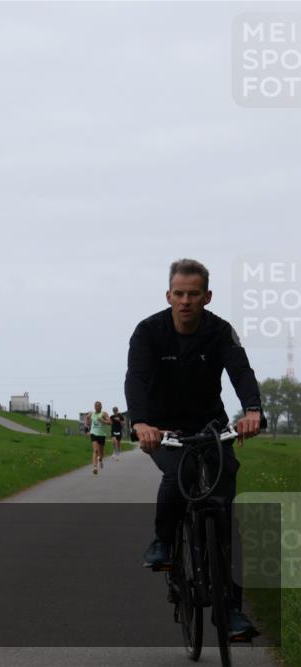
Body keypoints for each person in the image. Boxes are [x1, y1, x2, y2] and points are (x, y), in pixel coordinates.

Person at [124, 258, 263, 639]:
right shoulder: (148, 332)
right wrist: (141, 423)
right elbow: (136, 378)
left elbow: (241, 372)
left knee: (223, 514)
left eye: (194, 294)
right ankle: (164, 540)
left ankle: (230, 611)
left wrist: (253, 410)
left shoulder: (219, 331)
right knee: (180, 473)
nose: (186, 301)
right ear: (168, 295)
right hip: (162, 429)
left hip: (210, 426)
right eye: (179, 294)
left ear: (207, 296)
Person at [85, 401, 110, 474]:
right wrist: (86, 430)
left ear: (101, 407)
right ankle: (95, 467)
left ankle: (100, 460)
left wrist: (102, 420)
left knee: (101, 452)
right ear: (94, 407)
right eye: (96, 406)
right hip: (93, 434)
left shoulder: (104, 413)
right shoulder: (92, 413)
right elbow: (86, 418)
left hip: (102, 435)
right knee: (95, 450)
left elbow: (109, 422)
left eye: (98, 406)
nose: (97, 407)